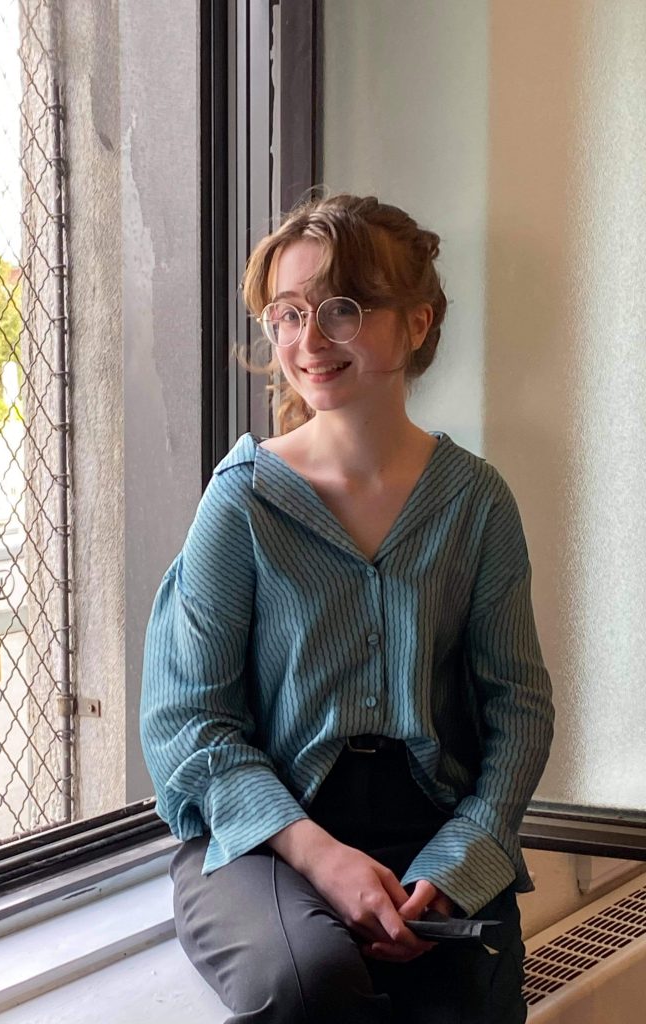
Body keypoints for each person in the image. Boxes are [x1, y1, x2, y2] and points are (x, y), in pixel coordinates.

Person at [140, 193, 554, 1023]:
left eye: (342, 309)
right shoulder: (242, 501)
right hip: (265, 838)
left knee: (464, 1001)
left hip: (434, 825)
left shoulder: (477, 503)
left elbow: (519, 707)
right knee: (307, 984)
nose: (309, 340)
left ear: (416, 323)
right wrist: (321, 857)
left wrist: (461, 862)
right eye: (288, 314)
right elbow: (188, 721)